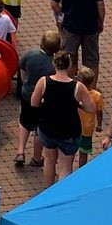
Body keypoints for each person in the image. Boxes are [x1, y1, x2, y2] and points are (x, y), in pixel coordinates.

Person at [31, 50, 83, 185]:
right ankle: (60, 195)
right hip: (69, 130)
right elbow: (91, 108)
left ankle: (48, 191)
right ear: (69, 65)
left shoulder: (44, 82)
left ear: (54, 64)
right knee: (65, 167)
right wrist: (78, 104)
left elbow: (34, 103)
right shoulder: (77, 86)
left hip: (48, 127)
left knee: (49, 160)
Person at [15, 30, 57, 170]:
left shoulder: (30, 54)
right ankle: (37, 157)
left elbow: (22, 72)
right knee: (39, 128)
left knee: (24, 121)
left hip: (27, 95)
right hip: (43, 100)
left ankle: (20, 151)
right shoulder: (53, 65)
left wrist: (26, 84)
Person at [74, 66, 104, 164]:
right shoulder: (97, 95)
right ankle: (81, 170)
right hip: (88, 128)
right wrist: (99, 124)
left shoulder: (75, 91)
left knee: (70, 150)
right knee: (84, 152)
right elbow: (99, 112)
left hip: (75, 124)